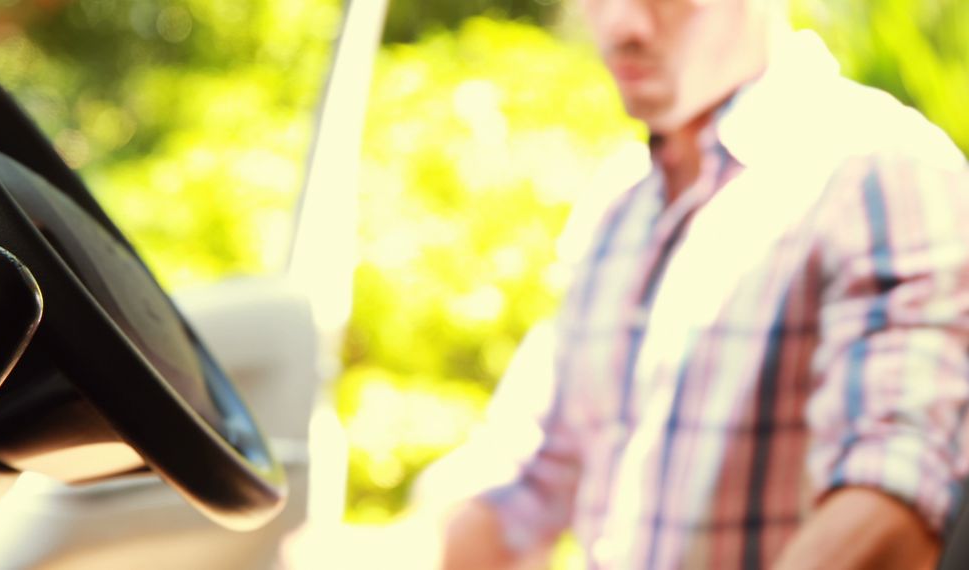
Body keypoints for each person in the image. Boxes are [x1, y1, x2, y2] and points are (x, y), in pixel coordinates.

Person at [285, 0, 969, 568]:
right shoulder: (619, 205)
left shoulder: (879, 171)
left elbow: (891, 511)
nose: (621, 27)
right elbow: (526, 475)